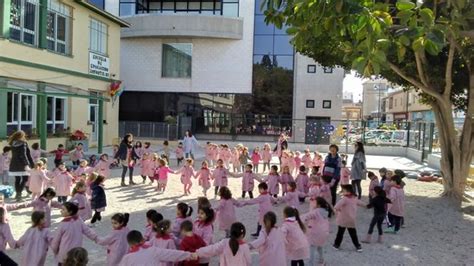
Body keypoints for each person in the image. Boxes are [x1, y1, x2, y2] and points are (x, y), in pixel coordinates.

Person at [119, 230, 192, 266]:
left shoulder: (126, 258)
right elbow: (171, 254)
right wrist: (189, 255)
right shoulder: (153, 250)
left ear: (130, 244)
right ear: (142, 240)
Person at [333, 185, 363, 252]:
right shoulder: (354, 198)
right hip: (351, 219)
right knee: (353, 233)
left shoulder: (344, 199)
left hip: (343, 219)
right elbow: (361, 203)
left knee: (340, 233)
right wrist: (367, 205)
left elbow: (336, 207)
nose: (342, 192)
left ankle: (336, 245)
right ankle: (358, 246)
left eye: (344, 190)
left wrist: (337, 212)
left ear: (348, 192)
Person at [302, 197, 331, 266]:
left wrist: (299, 219)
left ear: (318, 205)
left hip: (315, 233)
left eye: (314, 202)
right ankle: (321, 261)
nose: (312, 203)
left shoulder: (315, 212)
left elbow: (308, 216)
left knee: (311, 248)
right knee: (320, 246)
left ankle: (310, 264)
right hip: (324, 232)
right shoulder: (325, 211)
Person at [8, 130, 34, 201]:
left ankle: (17, 194)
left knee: (17, 179)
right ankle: (19, 194)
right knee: (25, 179)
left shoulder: (12, 143)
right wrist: (28, 164)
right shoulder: (23, 143)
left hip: (14, 163)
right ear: (22, 136)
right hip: (22, 164)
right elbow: (24, 155)